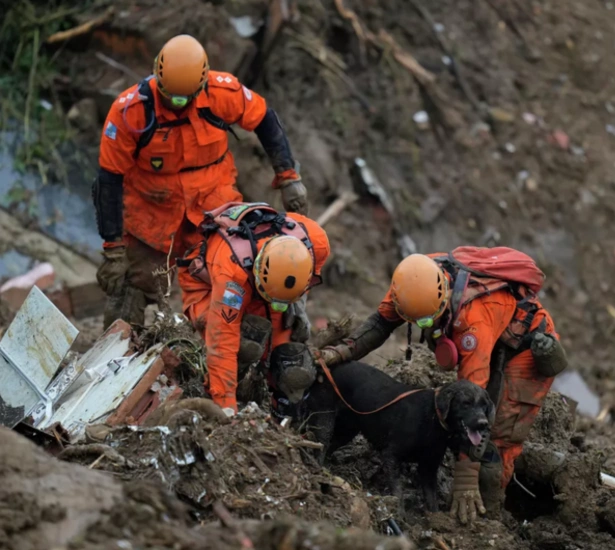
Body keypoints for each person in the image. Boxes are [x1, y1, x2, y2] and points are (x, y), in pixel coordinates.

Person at [317, 247, 569, 524]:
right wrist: (339, 353)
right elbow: (379, 325)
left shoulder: (474, 317)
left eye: (427, 321)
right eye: (415, 322)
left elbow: (472, 393)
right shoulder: (411, 282)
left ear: (444, 298)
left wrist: (466, 479)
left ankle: (489, 518)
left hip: (525, 348)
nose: (423, 325)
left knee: (497, 436)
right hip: (488, 330)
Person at [93, 34, 308, 328]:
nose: (177, 104)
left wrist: (288, 177)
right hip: (152, 212)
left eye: (184, 99)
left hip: (214, 205)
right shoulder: (130, 112)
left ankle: (251, 338)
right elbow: (108, 179)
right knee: (131, 287)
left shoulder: (223, 93)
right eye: (170, 97)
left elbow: (265, 120)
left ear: (201, 85)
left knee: (237, 273)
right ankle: (118, 348)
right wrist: (113, 248)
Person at [178, 202, 330, 415]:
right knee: (246, 343)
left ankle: (281, 410)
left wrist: (298, 304)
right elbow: (222, 344)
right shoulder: (232, 277)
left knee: (289, 363)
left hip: (269, 290)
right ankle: (223, 390)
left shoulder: (317, 243)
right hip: (208, 286)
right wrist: (225, 409)